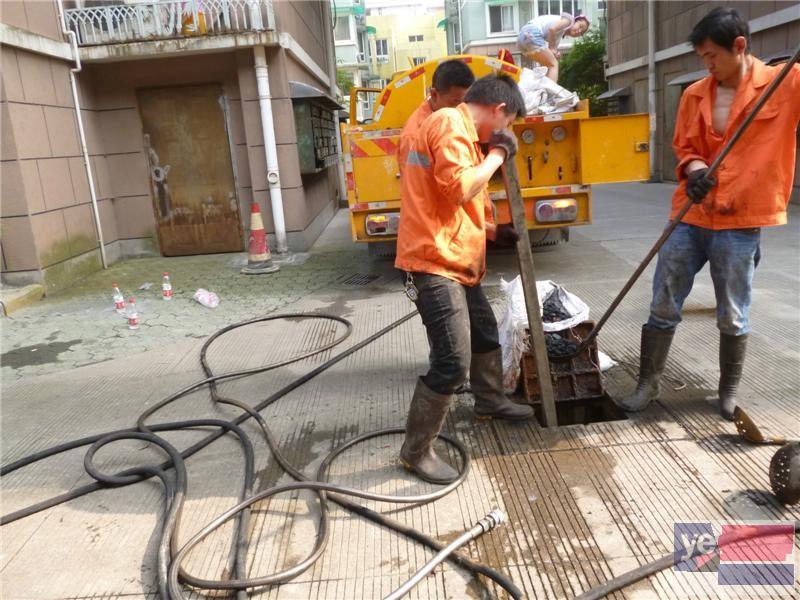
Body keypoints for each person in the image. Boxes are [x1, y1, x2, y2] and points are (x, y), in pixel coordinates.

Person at [616, 8, 800, 421]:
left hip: (740, 220)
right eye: (702, 57)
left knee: (733, 312)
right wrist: (695, 170)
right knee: (663, 301)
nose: (708, 64)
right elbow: (685, 147)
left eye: (712, 55)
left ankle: (727, 391)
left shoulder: (784, 86)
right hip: (690, 214)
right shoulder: (695, 94)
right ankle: (647, 382)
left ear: (739, 46)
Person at [395, 74, 533, 484]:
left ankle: (489, 400)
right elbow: (458, 189)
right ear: (499, 110)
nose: (504, 134)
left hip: (455, 259)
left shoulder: (460, 134)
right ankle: (415, 451)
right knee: (452, 361)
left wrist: (492, 233)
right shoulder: (450, 126)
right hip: (432, 263)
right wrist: (498, 156)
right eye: (507, 126)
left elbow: (445, 204)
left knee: (485, 331)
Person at [398, 59, 476, 174]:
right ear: (434, 94)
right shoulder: (413, 137)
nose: (461, 110)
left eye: (465, 103)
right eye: (454, 103)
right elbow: (415, 185)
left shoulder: (455, 118)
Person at [517, 13, 589, 81]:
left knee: (549, 64)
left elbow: (551, 52)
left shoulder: (559, 36)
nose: (579, 31)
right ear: (575, 21)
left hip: (522, 38)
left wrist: (555, 54)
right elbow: (552, 29)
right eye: (580, 26)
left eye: (582, 33)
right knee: (554, 65)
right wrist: (552, 49)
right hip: (531, 32)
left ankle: (543, 87)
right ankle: (550, 92)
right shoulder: (569, 20)